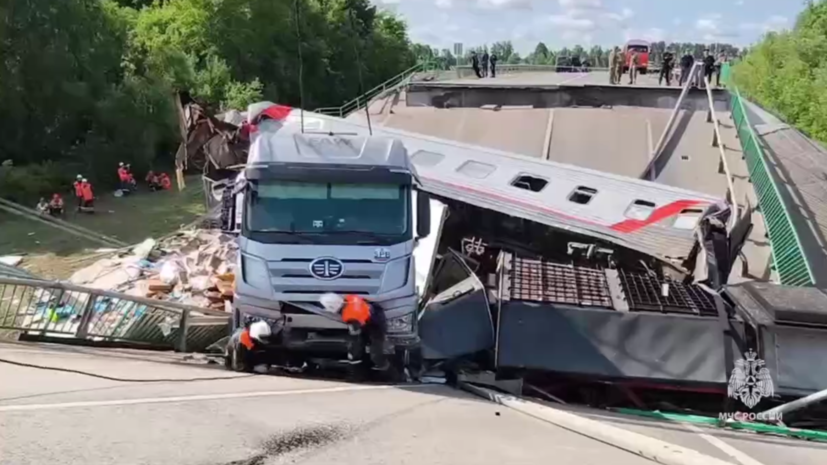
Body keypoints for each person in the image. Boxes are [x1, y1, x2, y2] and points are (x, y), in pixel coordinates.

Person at [321, 293, 390, 372]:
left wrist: (353, 356)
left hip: (375, 324)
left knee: (374, 350)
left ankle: (383, 367)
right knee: (364, 340)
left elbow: (355, 336)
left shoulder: (350, 316)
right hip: (374, 311)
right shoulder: (351, 297)